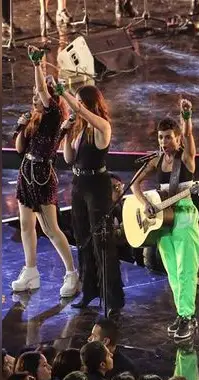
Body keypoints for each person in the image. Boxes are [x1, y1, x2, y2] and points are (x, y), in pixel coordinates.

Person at [10, 46, 79, 298]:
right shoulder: (37, 118)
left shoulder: (54, 113)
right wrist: (22, 126)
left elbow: (41, 88)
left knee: (50, 229)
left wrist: (37, 64)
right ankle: (31, 271)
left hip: (41, 175)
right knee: (26, 225)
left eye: (38, 94)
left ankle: (72, 273)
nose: (34, 97)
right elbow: (19, 148)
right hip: (26, 171)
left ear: (49, 95)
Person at [129, 100, 199, 340]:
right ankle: (182, 314)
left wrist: (186, 115)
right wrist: (145, 204)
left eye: (168, 137)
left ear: (178, 138)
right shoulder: (156, 161)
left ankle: (188, 317)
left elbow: (190, 133)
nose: (163, 142)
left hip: (184, 215)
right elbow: (135, 184)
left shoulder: (187, 158)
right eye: (160, 137)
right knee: (172, 270)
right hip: (163, 219)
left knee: (186, 270)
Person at [61, 83, 124, 315]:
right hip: (79, 185)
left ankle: (111, 299)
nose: (76, 107)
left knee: (101, 243)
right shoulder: (81, 130)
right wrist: (66, 134)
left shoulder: (102, 127)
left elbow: (81, 111)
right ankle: (89, 291)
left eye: (80, 102)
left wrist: (64, 96)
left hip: (97, 188)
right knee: (83, 240)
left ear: (88, 103)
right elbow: (68, 158)